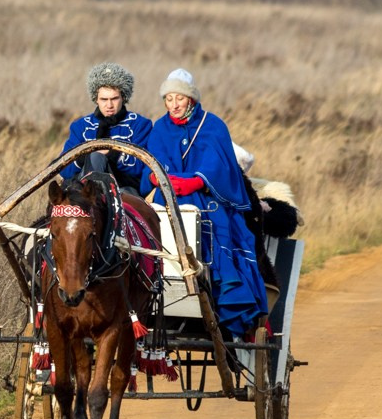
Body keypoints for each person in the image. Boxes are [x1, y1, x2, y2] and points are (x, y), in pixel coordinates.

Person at [141, 68, 268, 339]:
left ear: (192, 99)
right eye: (169, 99)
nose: (174, 105)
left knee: (219, 227)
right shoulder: (159, 128)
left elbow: (218, 165)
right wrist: (159, 177)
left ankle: (226, 298)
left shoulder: (213, 125)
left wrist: (195, 182)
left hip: (209, 198)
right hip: (169, 197)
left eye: (180, 98)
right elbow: (152, 163)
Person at [58, 62, 152, 194]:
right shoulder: (80, 126)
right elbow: (64, 170)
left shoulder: (140, 125)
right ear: (95, 99)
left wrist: (111, 154)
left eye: (114, 99)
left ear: (124, 97)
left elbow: (141, 167)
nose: (109, 105)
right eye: (103, 99)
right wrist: (85, 156)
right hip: (83, 192)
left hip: (124, 189)